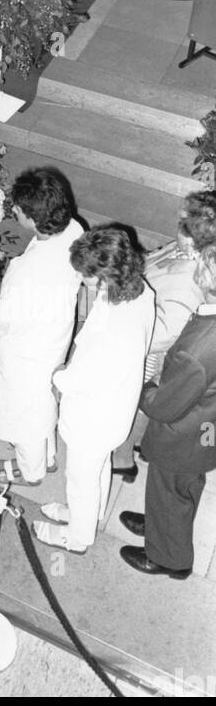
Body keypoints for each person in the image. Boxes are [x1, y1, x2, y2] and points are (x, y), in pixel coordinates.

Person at [32, 227, 155, 554]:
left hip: (94, 417)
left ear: (106, 277)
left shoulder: (113, 329)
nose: (83, 281)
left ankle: (77, 537)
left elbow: (83, 377)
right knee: (96, 470)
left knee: (81, 478)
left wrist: (57, 376)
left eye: (87, 276)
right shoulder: (141, 292)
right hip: (117, 406)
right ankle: (87, 515)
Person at [119, 243, 216, 580]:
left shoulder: (200, 346)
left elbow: (165, 405)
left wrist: (144, 389)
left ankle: (169, 559)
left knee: (172, 487)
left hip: (184, 434)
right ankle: (159, 523)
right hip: (205, 427)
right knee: (179, 486)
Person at [0, 168, 83, 486]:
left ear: (32, 218)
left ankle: (32, 471)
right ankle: (48, 454)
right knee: (42, 400)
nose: (14, 210)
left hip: (26, 349)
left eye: (19, 209)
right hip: (56, 333)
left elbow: (7, 318)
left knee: (23, 410)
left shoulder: (27, 273)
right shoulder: (73, 231)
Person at [110, 190, 216, 479]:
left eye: (183, 222)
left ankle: (122, 461)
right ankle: (134, 448)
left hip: (146, 351)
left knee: (133, 406)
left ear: (195, 235)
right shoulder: (186, 249)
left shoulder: (190, 277)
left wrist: (121, 327)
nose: (177, 224)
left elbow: (164, 333)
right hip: (140, 331)